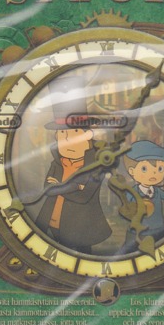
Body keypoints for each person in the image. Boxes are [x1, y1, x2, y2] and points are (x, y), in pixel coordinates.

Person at [34, 78, 111, 254]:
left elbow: (83, 196)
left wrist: (58, 187)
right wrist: (72, 186)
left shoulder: (95, 166)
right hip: (51, 226)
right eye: (62, 133)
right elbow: (47, 188)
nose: (67, 139)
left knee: (83, 262)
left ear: (88, 135)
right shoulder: (57, 163)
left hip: (80, 231)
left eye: (75, 132)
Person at [120, 140, 164, 253]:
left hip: (158, 232)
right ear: (132, 171)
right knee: (128, 254)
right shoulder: (132, 192)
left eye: (160, 169)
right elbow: (125, 210)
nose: (153, 174)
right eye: (144, 169)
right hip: (136, 234)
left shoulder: (157, 191)